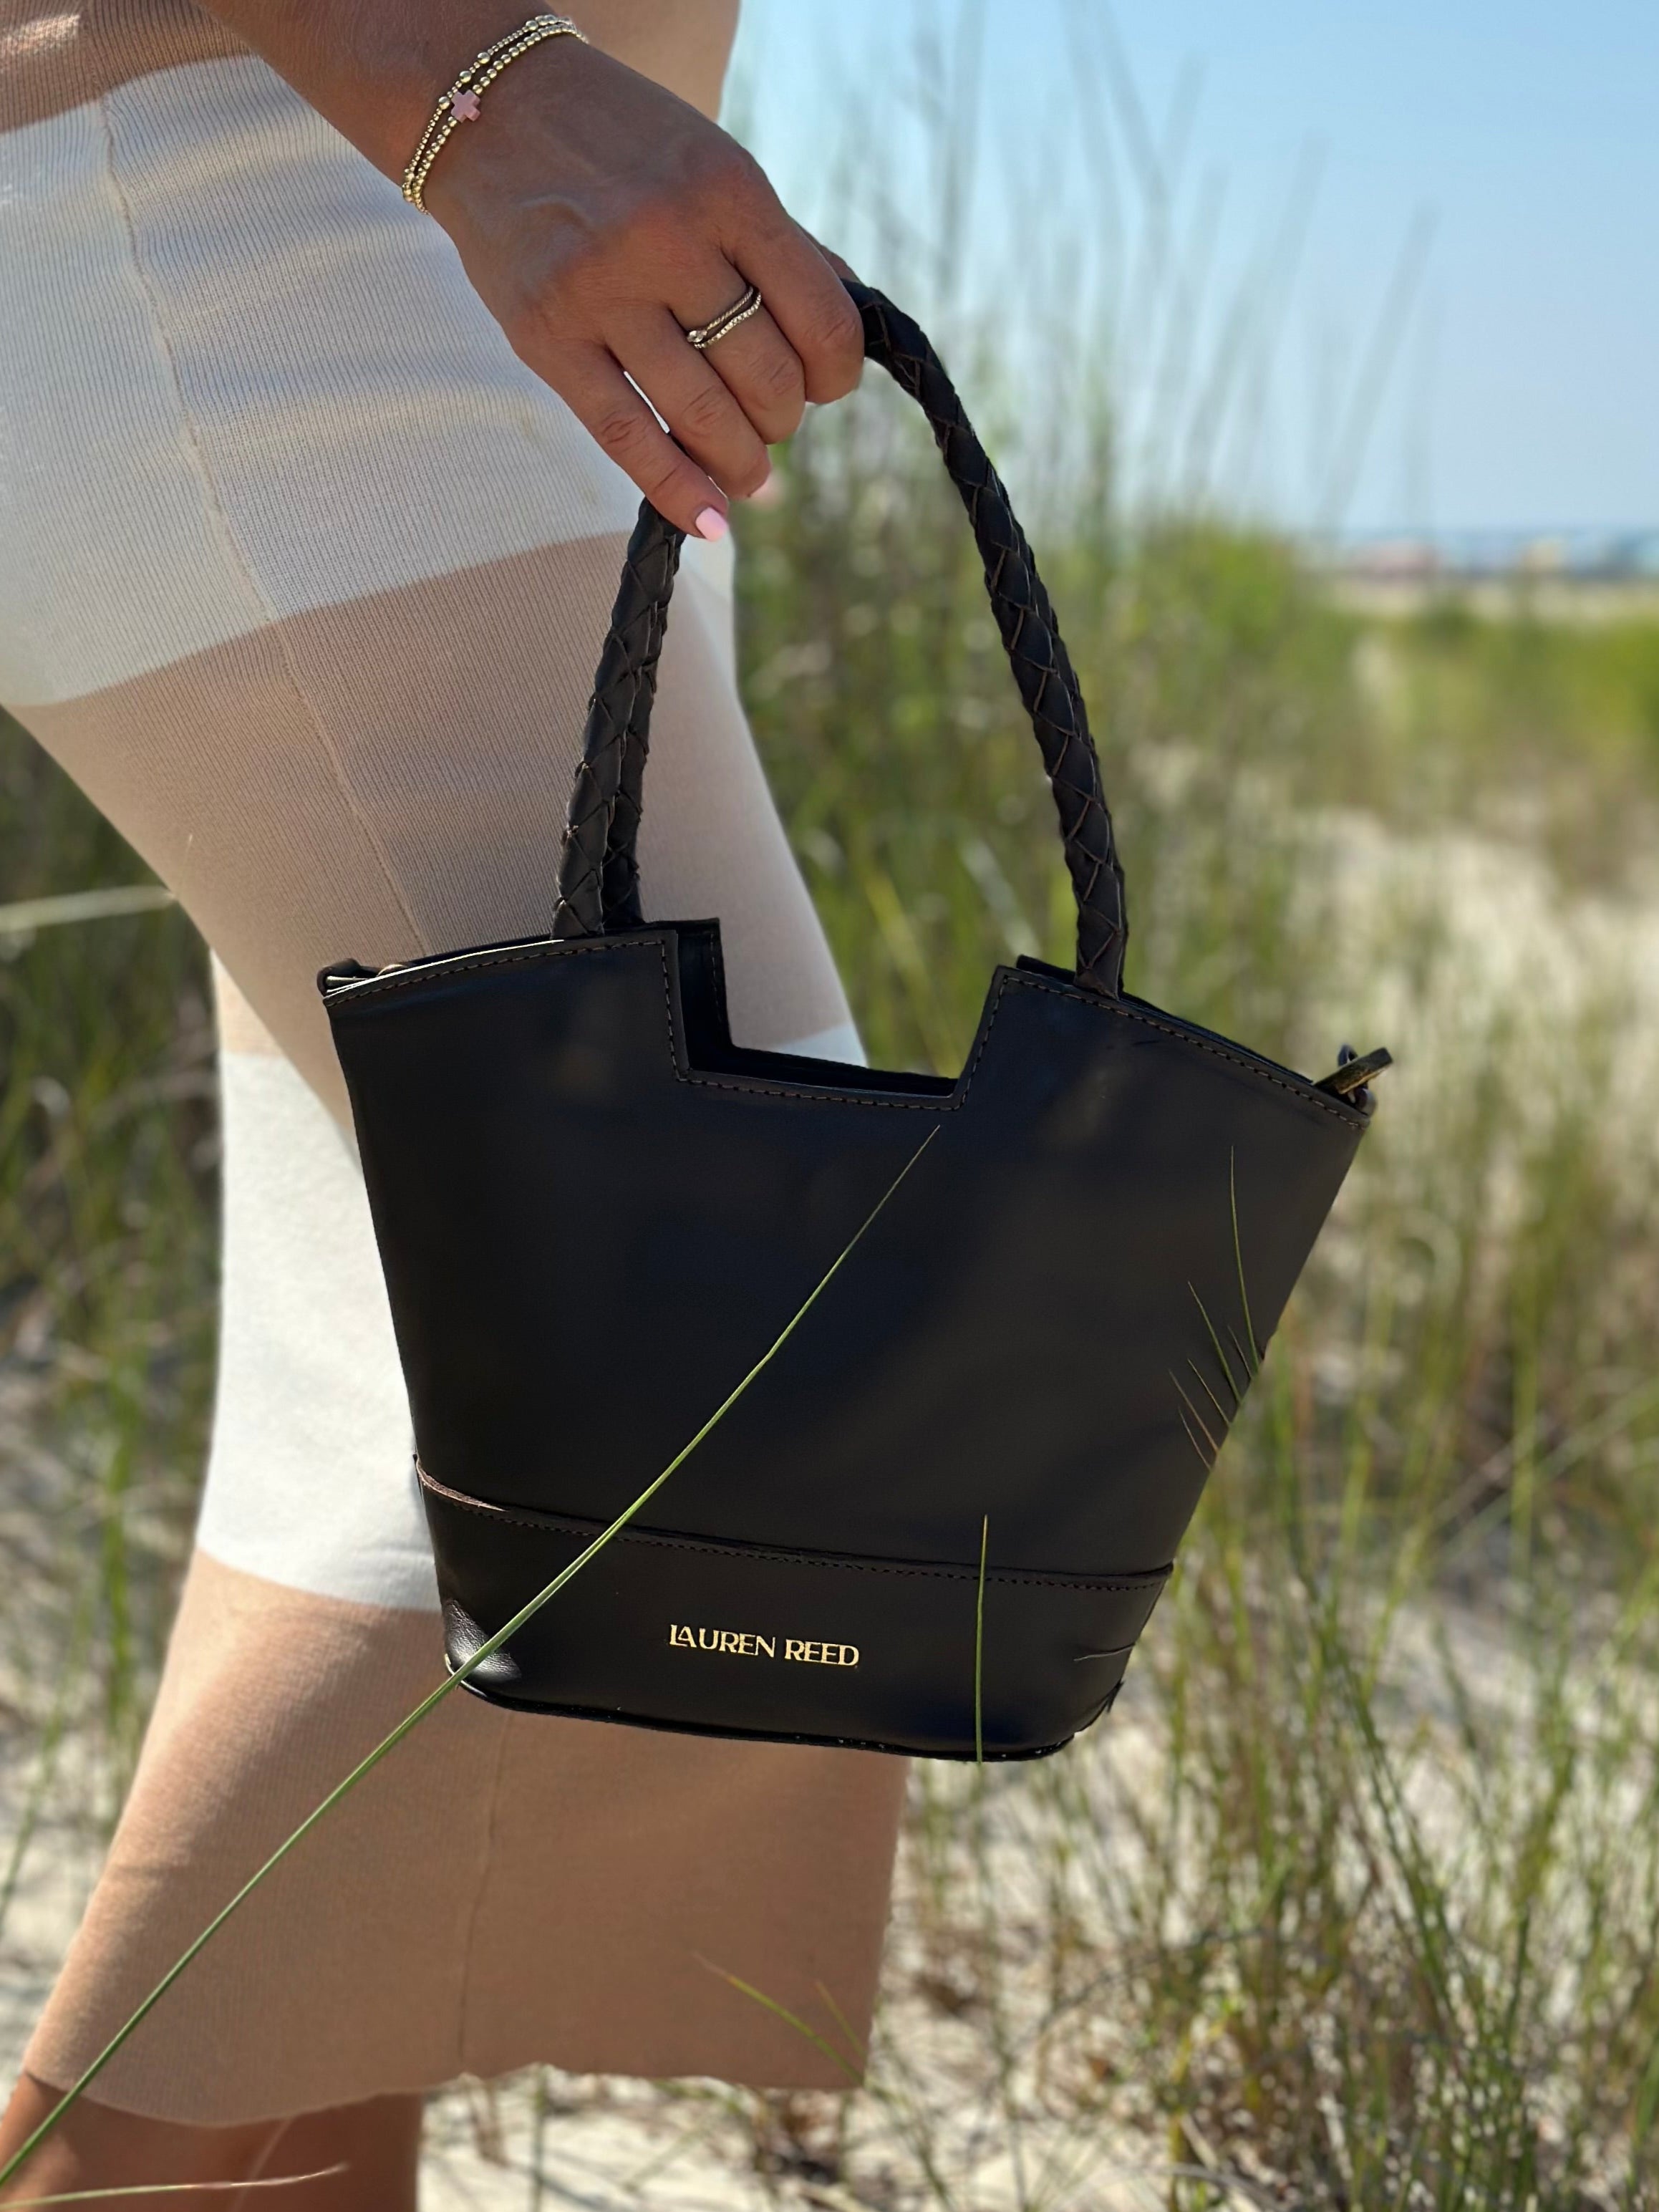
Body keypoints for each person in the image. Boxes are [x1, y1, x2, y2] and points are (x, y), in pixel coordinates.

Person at [0, 3, 908, 2201]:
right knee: (734, 1314)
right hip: (285, 189)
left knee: (410, 1478)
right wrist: (460, 87)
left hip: (460, 234)